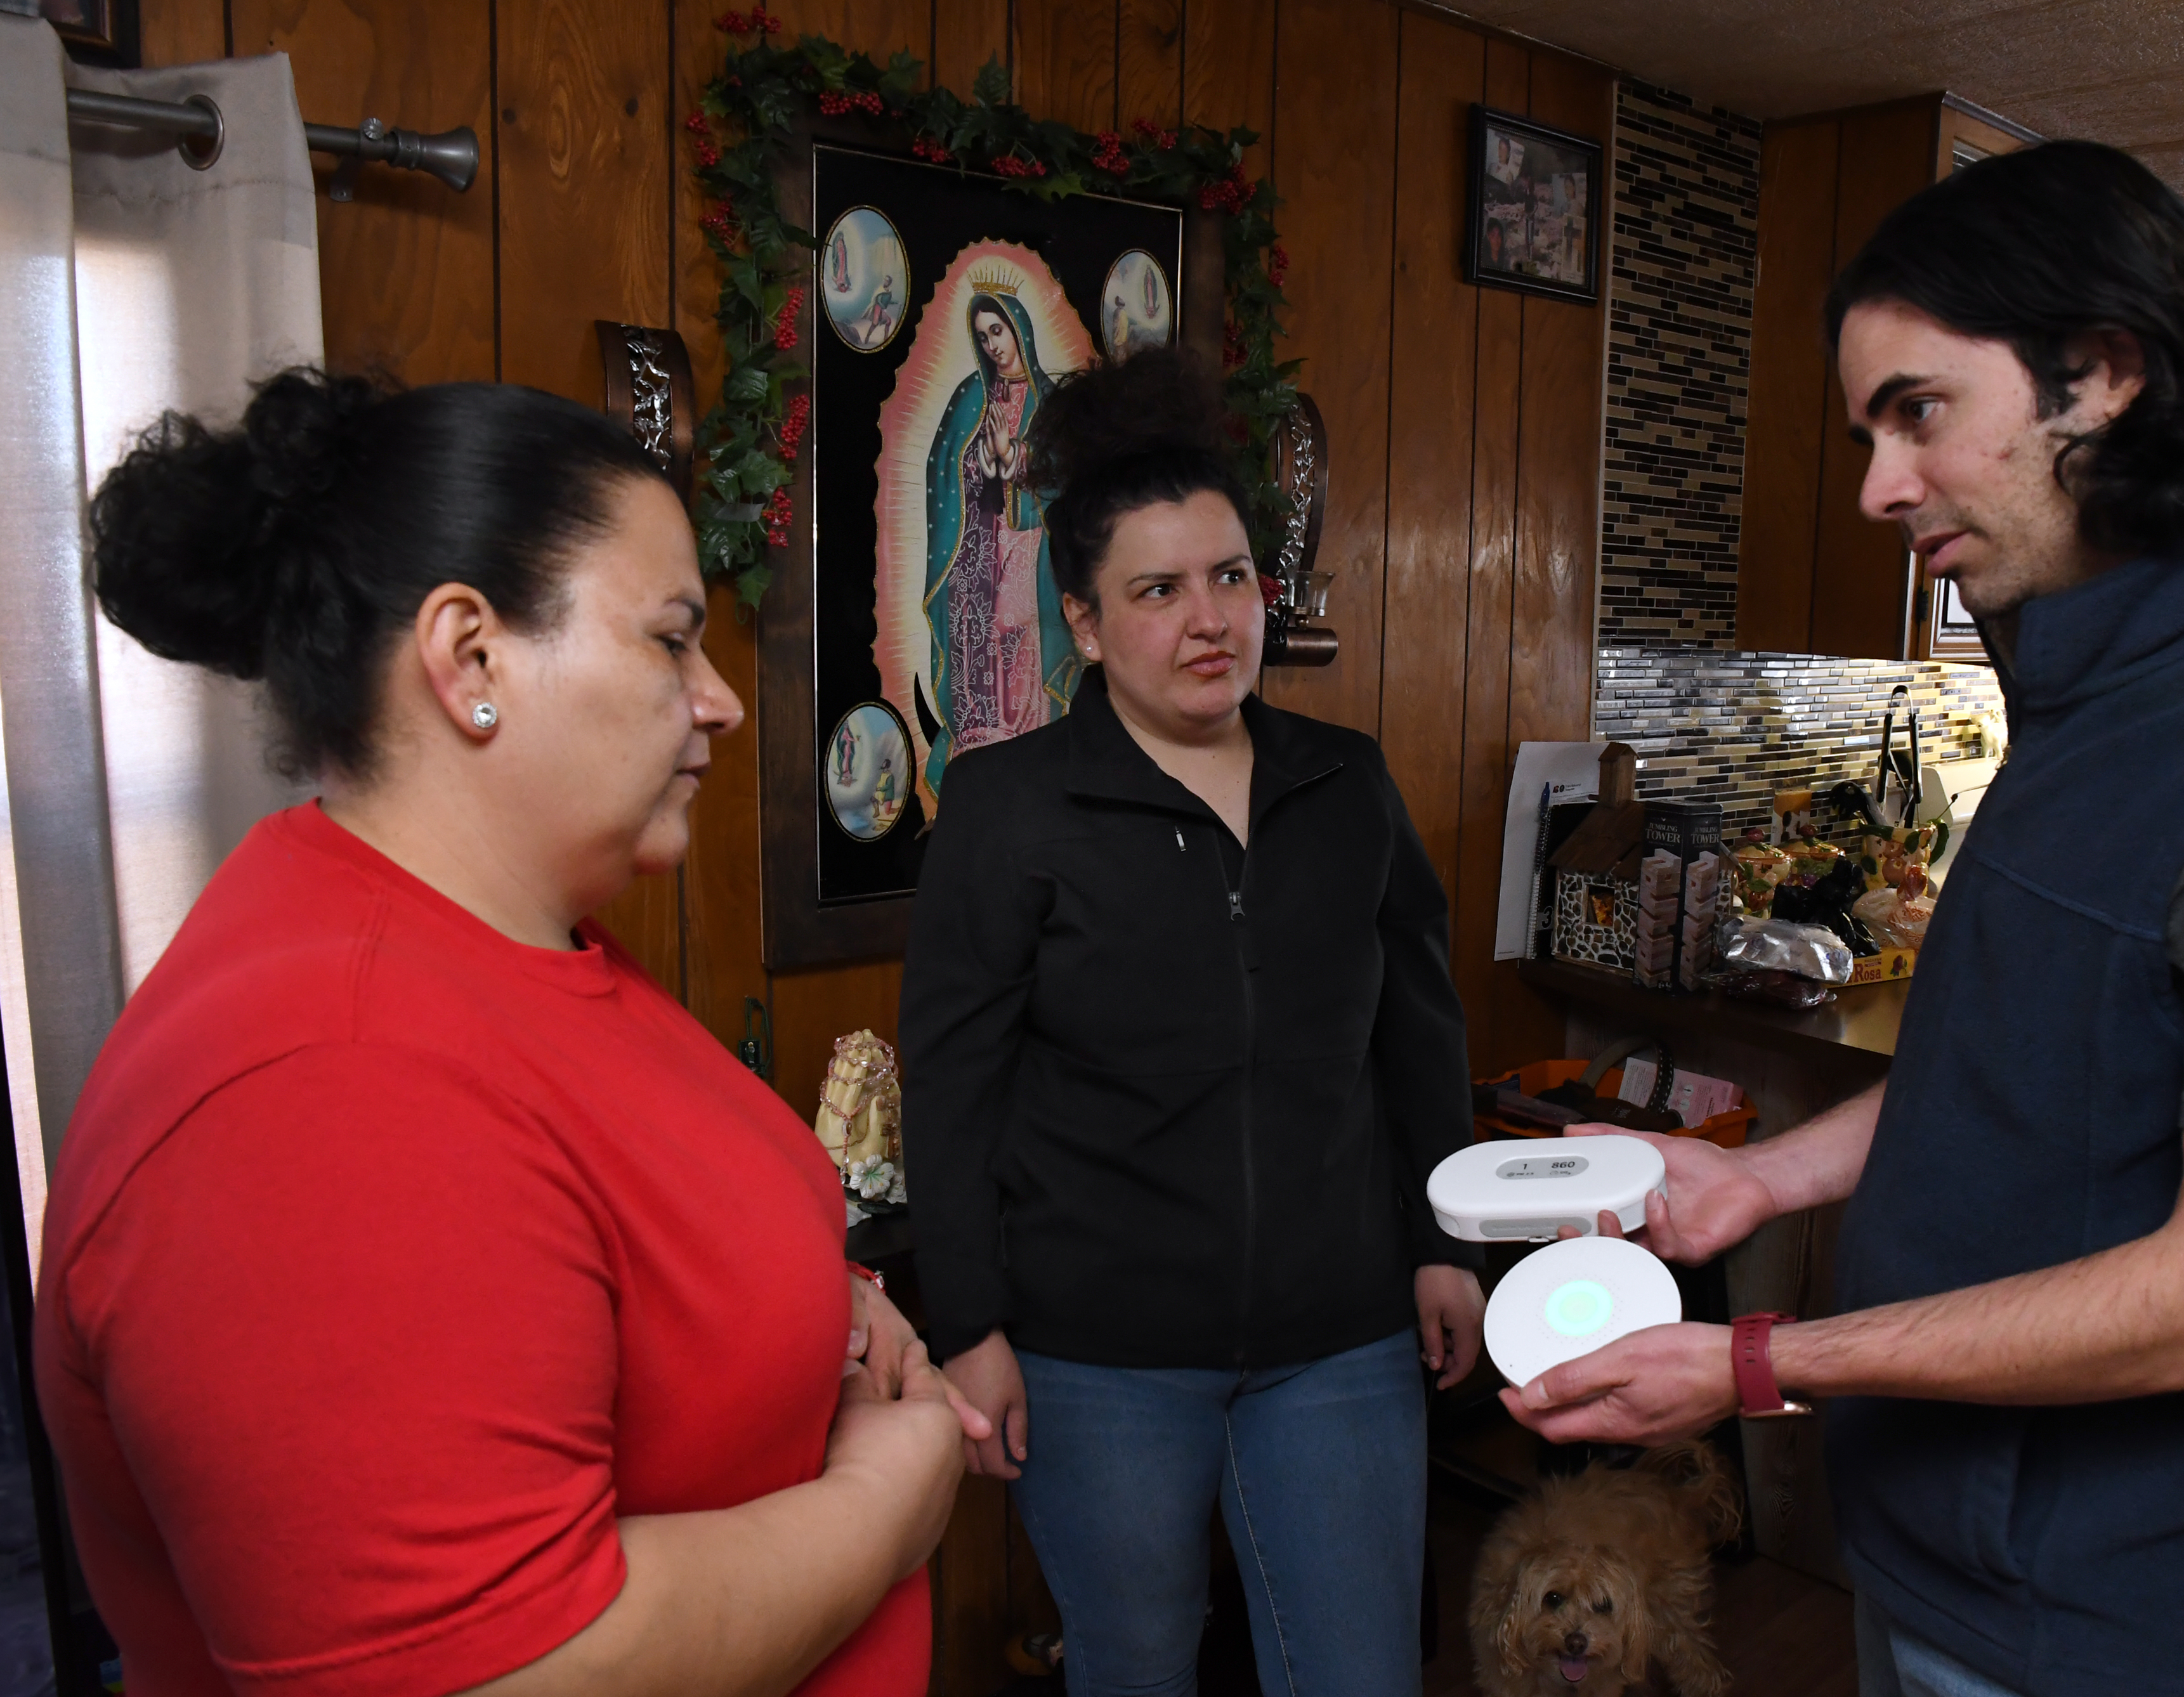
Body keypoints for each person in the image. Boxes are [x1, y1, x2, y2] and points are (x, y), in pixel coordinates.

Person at [1503, 141, 2184, 1697]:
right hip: (1934, 1558)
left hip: (2123, 1630)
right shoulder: (2079, 694)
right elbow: (2011, 1069)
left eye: (1921, 411)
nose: (1880, 483)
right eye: (1868, 429)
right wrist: (1760, 1186)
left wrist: (1754, 1362)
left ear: (2101, 377)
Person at [36, 371, 991, 1697]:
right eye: (670, 640)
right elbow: (506, 1671)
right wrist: (895, 1492)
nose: (715, 699)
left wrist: (813, 1306)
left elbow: (603, 1237)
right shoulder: (326, 1085)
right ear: (470, 658)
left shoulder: (522, 939)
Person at [899, 348, 1488, 1697]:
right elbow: (954, 1082)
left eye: (1231, 577)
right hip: (1098, 1356)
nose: (1209, 618)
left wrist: (1442, 1240)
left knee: (1357, 1673)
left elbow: (1419, 1026)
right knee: (1134, 1668)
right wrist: (971, 1328)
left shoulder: (1348, 783)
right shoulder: (1010, 811)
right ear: (1086, 624)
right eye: (1157, 591)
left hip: (1340, 1336)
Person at [920, 288, 1080, 801]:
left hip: (1029, 547)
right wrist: (981, 466)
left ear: (1020, 330)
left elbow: (1066, 478)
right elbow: (942, 466)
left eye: (999, 330)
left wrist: (1016, 458)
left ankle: (1027, 746)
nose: (993, 345)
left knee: (1018, 639)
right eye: (984, 335)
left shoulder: (1051, 402)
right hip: (977, 548)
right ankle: (982, 752)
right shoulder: (972, 396)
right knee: (980, 645)